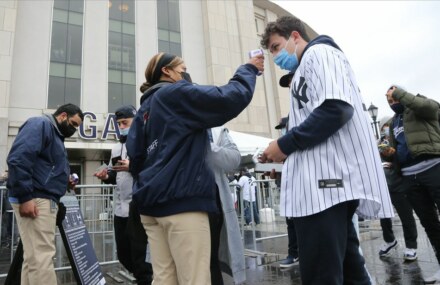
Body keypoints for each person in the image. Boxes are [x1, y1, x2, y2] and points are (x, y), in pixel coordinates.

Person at [259, 16, 393, 284]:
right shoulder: (306, 65)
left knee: (322, 274)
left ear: (295, 36)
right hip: (323, 186)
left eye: (276, 47)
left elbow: (336, 108)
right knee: (349, 270)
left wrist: (284, 145)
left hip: (324, 185)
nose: (275, 56)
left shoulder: (319, 52)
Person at [126, 52, 263, 284]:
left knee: (164, 277)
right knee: (195, 278)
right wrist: (248, 69)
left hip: (150, 206)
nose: (185, 75)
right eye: (182, 69)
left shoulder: (144, 111)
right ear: (166, 71)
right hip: (181, 203)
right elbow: (228, 98)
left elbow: (136, 159)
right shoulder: (173, 94)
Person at [6, 103, 84, 285]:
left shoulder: (52, 133)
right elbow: (18, 159)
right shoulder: (40, 124)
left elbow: (45, 167)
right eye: (73, 124)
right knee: (42, 258)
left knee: (34, 259)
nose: (74, 129)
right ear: (63, 115)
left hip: (39, 197)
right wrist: (25, 197)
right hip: (36, 198)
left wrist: (65, 181)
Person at [382, 85, 440, 283]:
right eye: (389, 101)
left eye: (394, 98)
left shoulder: (419, 105)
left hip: (433, 167)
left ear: (403, 94)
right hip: (409, 176)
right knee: (430, 224)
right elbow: (400, 148)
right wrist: (391, 154)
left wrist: (400, 94)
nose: (392, 103)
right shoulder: (393, 122)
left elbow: (432, 109)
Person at [94, 105, 153, 284]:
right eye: (118, 123)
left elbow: (152, 169)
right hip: (119, 210)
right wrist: (106, 176)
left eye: (124, 122)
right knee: (123, 254)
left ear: (135, 121)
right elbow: (116, 175)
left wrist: (132, 166)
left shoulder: (145, 142)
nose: (121, 126)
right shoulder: (115, 148)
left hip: (137, 208)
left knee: (140, 256)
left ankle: (146, 279)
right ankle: (145, 278)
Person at [207, 126, 246, 285]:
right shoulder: (172, 119)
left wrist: (207, 146)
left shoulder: (217, 130)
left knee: (211, 259)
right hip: (180, 204)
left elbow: (234, 159)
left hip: (211, 204)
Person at [377, 115, 418, 261]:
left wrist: (393, 161)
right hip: (383, 187)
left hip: (399, 185)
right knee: (384, 215)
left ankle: (411, 245)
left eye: (388, 125)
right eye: (383, 127)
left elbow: (404, 158)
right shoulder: (379, 143)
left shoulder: (400, 141)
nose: (386, 129)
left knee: (406, 216)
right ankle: (389, 240)